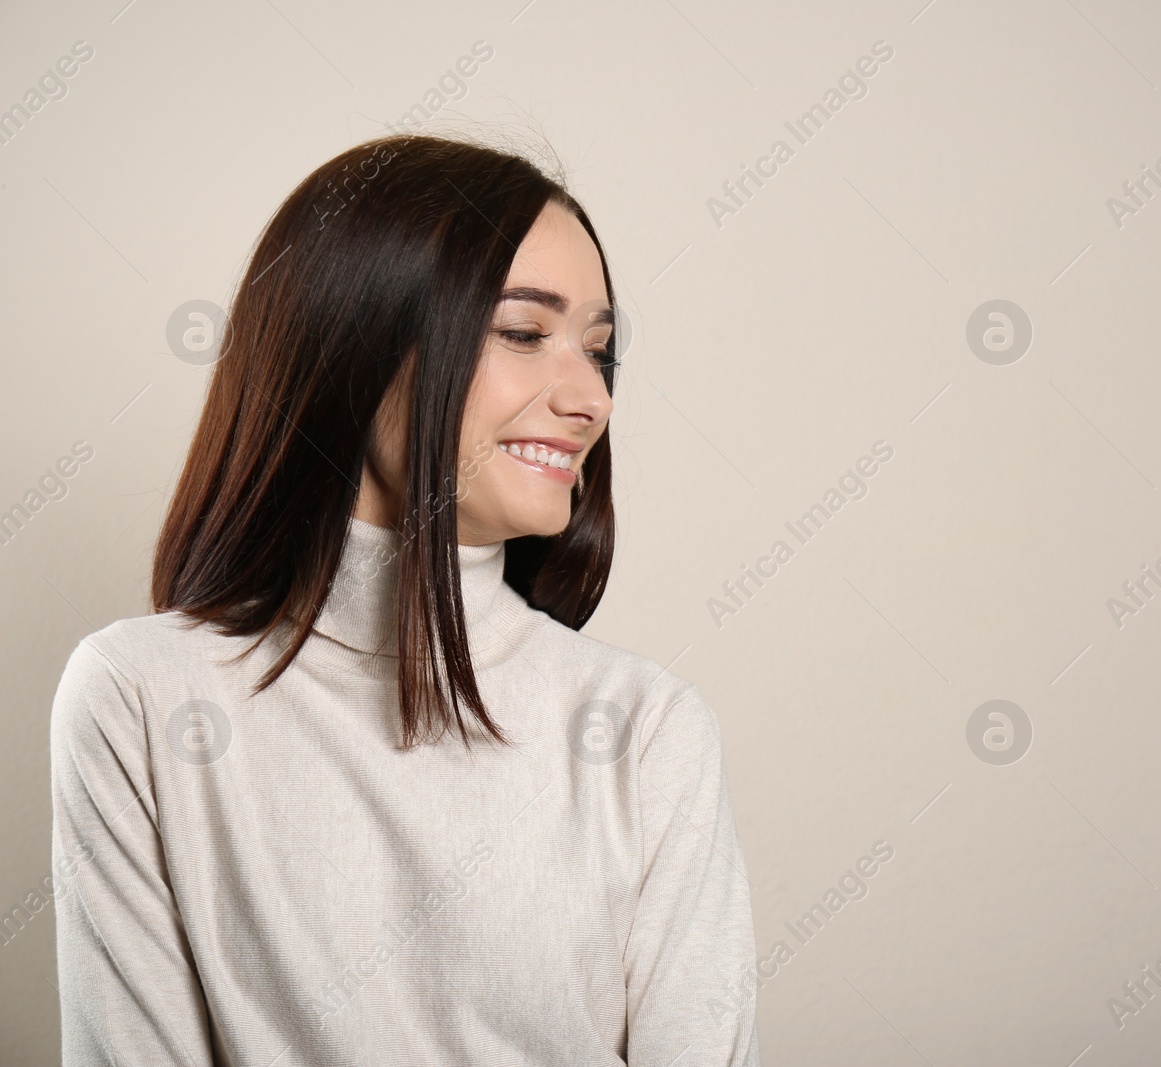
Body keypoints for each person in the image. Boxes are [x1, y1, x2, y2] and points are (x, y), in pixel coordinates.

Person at [48, 132, 761, 1065]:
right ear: (357, 340)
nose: (590, 398)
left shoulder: (647, 730)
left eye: (600, 351)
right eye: (523, 332)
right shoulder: (139, 697)